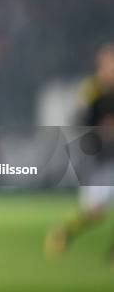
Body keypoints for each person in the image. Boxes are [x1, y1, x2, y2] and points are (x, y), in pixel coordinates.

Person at [45, 43, 114, 261]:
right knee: (95, 212)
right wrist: (98, 132)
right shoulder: (91, 91)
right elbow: (79, 122)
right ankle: (65, 231)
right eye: (108, 64)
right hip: (99, 160)